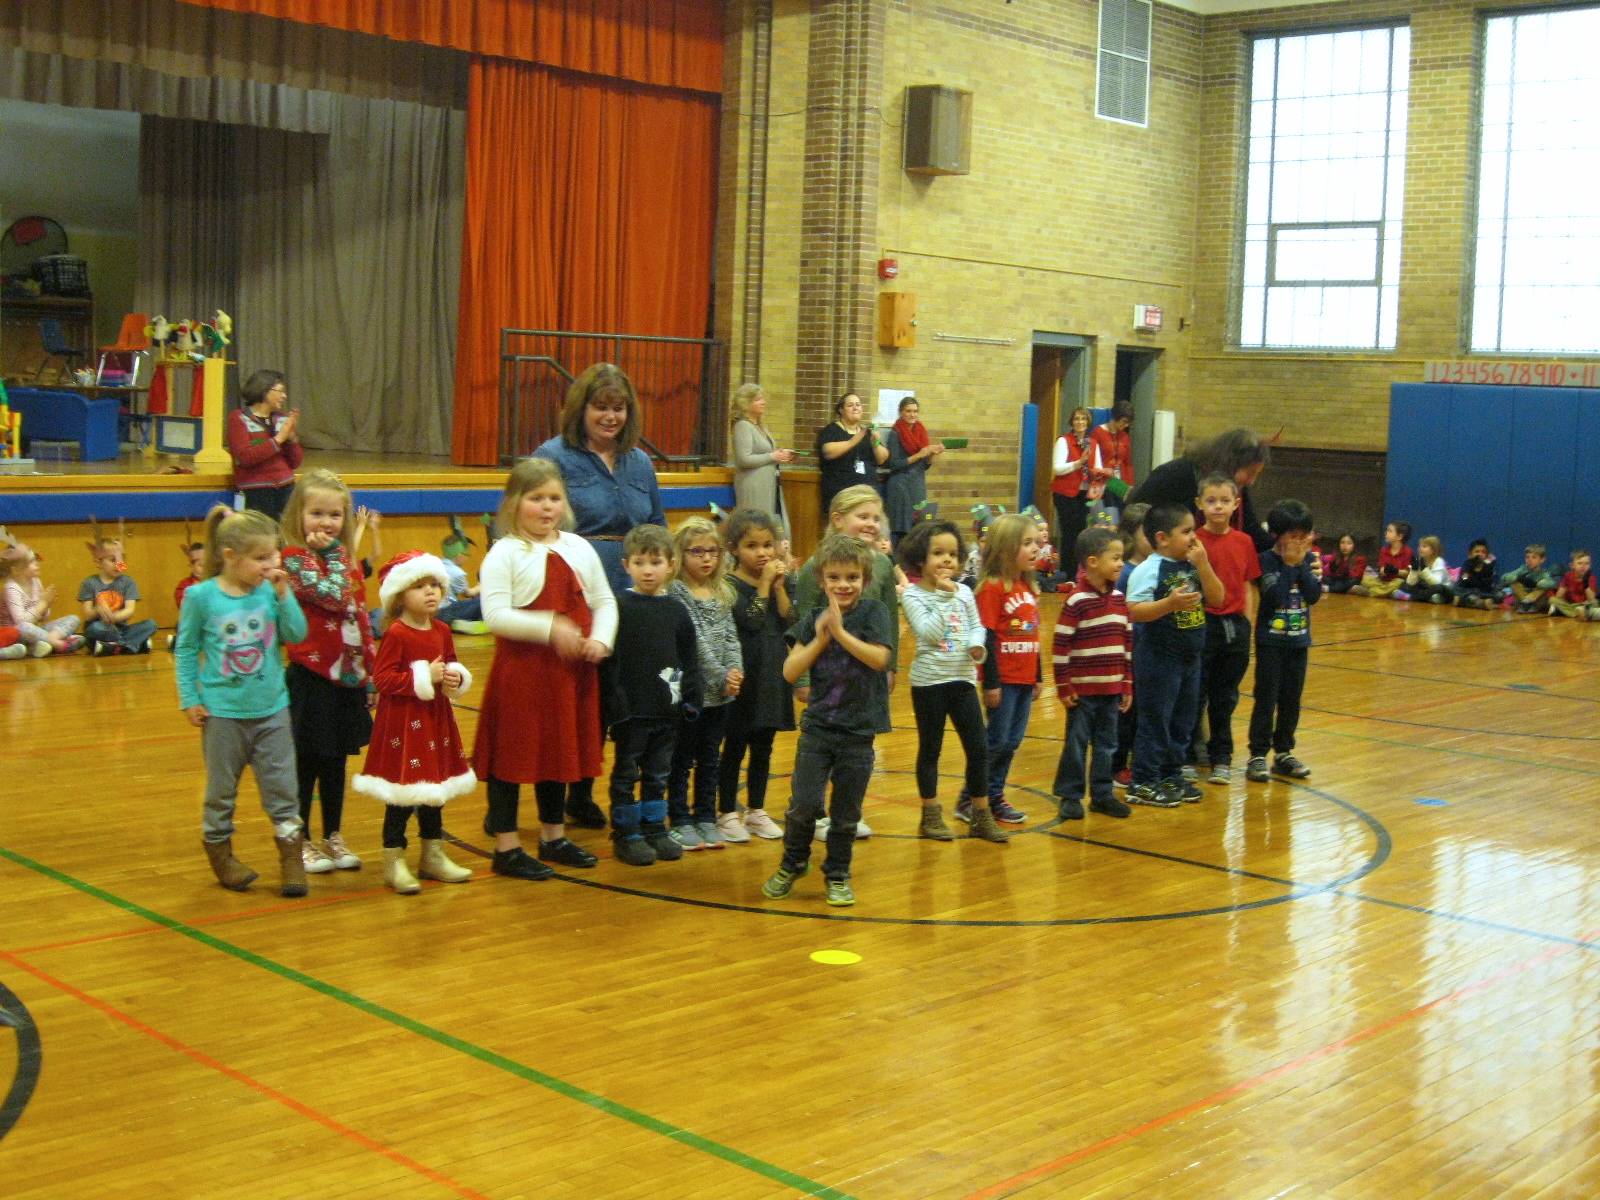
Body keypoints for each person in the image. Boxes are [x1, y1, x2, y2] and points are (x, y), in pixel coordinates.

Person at [473, 458, 615, 880]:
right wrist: (551, 626)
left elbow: (604, 601)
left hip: (569, 676)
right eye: (536, 498)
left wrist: (601, 640)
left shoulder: (578, 547)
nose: (547, 507)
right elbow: (496, 615)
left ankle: (553, 837)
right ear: (515, 503)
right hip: (522, 676)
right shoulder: (504, 552)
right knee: (511, 760)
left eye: (554, 498)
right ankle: (507, 846)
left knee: (558, 755)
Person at [535, 363, 662, 830]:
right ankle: (512, 794)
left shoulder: (640, 463)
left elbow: (655, 530)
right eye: (601, 408)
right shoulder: (551, 457)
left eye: (619, 408)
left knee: (610, 701)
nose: (611, 417)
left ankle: (582, 792)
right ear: (581, 409)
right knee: (561, 702)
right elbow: (524, 526)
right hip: (569, 591)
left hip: (629, 597)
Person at [175, 505, 309, 897]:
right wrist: (190, 698)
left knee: (283, 788)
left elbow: (297, 635)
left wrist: (285, 597)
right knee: (221, 790)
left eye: (274, 555)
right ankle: (221, 855)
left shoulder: (271, 591)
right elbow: (186, 650)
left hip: (272, 709)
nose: (272, 564)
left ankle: (291, 859)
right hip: (222, 714)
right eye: (261, 558)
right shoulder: (201, 597)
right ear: (230, 556)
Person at [761, 534, 892, 908]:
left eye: (851, 577)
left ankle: (837, 874)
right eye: (834, 577)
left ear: (864, 580)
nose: (843, 585)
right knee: (803, 805)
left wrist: (840, 633)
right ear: (822, 580)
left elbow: (879, 659)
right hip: (818, 728)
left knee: (846, 813)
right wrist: (821, 637)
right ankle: (792, 863)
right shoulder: (812, 618)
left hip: (858, 732)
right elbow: (789, 671)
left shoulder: (874, 613)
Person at [352, 552, 476, 894]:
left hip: (435, 721)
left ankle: (432, 855)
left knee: (434, 791)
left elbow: (450, 663)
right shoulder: (397, 633)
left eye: (435, 584)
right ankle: (394, 861)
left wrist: (453, 678)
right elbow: (384, 678)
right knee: (403, 794)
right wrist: (423, 675)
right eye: (420, 586)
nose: (431, 592)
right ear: (399, 595)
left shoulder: (442, 630)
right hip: (405, 726)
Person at [280, 469, 376, 876]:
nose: (326, 523)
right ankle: (298, 840)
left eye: (335, 515)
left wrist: (370, 671)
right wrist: (339, 557)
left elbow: (360, 616)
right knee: (306, 763)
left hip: (346, 679)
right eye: (316, 513)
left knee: (336, 762)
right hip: (310, 677)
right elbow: (334, 597)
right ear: (298, 516)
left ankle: (332, 835)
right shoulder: (293, 560)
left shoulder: (346, 561)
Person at [792, 484, 901, 838]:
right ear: (838, 520)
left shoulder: (882, 564)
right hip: (826, 674)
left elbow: (890, 619)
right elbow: (804, 620)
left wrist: (891, 666)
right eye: (862, 517)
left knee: (857, 747)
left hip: (864, 673)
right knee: (821, 745)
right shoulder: (815, 567)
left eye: (875, 517)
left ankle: (847, 810)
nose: (871, 524)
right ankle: (818, 811)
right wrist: (803, 679)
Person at [897, 520, 1008, 843]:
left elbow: (978, 626)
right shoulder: (914, 596)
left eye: (953, 554)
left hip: (962, 680)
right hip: (929, 684)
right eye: (938, 554)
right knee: (930, 750)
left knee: (978, 750)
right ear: (921, 559)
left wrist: (976, 646)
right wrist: (945, 598)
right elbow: (929, 633)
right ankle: (930, 815)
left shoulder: (964, 592)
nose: (947, 561)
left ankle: (981, 816)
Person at [607, 523, 701, 866]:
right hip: (632, 713)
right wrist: (615, 709)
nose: (648, 570)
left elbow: (689, 659)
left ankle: (654, 827)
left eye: (656, 562)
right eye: (640, 562)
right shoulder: (618, 608)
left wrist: (692, 700)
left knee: (659, 773)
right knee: (626, 773)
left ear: (670, 565)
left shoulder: (677, 611)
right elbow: (610, 662)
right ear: (626, 565)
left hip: (667, 711)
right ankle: (626, 833)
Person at [1125, 503, 1222, 808]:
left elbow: (1218, 598)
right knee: (1156, 720)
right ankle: (1143, 780)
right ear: (1163, 538)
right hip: (1158, 657)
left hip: (1190, 658)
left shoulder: (1193, 565)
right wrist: (1169, 604)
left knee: (1183, 721)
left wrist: (1204, 565)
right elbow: (1134, 610)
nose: (1195, 537)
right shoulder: (1148, 570)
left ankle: (1170, 775)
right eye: (1187, 531)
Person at [960, 512, 1044, 826]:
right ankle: (971, 797)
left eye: (1037, 542)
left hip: (1023, 678)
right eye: (1027, 543)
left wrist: (1038, 676)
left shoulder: (1027, 587)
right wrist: (990, 683)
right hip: (1004, 679)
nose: (1036, 549)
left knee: (1011, 742)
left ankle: (994, 796)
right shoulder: (993, 588)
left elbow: (1033, 633)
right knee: (994, 742)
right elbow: (987, 636)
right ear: (1006, 548)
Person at [667, 517, 744, 850]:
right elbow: (695, 641)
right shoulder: (676, 592)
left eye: (712, 551)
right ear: (680, 554)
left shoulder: (721, 590)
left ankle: (705, 817)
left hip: (721, 694)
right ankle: (680, 819)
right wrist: (719, 674)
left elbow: (731, 637)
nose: (706, 558)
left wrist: (736, 670)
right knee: (683, 758)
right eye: (696, 551)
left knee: (711, 757)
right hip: (691, 691)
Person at [719, 508, 796, 841]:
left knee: (764, 745)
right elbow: (749, 621)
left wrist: (778, 587)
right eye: (752, 546)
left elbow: (789, 621)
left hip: (771, 675)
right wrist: (764, 585)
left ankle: (757, 810)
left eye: (768, 545)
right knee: (735, 746)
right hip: (742, 676)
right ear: (735, 549)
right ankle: (726, 812)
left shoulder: (777, 581)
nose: (763, 553)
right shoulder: (729, 586)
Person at [1051, 525, 1134, 821]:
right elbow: (1061, 646)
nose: (1121, 563)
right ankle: (1070, 794)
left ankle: (1101, 794)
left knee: (1107, 745)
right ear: (1092, 562)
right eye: (1115, 557)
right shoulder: (1076, 601)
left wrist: (1126, 684)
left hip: (1111, 691)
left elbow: (1127, 642)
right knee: (1076, 744)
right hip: (1083, 693)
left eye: (1122, 558)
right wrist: (1064, 686)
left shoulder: (1120, 600)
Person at [1191, 473, 1261, 785]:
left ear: (1236, 504)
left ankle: (1222, 756)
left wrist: (1246, 623)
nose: (1217, 507)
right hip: (1202, 624)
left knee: (1225, 696)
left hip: (1234, 627)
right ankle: (1190, 754)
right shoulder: (1192, 542)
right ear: (1199, 505)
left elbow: (1247, 586)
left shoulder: (1244, 542)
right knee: (1195, 693)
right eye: (1211, 501)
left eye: (1224, 501)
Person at [1246, 500, 1323, 783]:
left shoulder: (1309, 560)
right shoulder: (1266, 560)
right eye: (1294, 535)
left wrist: (1301, 566)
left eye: (1305, 534)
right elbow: (1274, 596)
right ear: (1278, 534)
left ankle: (1284, 752)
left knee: (1292, 699)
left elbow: (1313, 595)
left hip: (1299, 641)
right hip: (1271, 641)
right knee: (1266, 698)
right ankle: (1257, 754)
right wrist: (1290, 565)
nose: (1301, 541)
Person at [1127, 428, 1273, 551]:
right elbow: (1136, 515)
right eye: (1249, 473)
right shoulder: (1176, 473)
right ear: (1230, 462)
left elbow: (1251, 529)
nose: (1252, 481)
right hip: (1164, 560)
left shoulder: (1233, 486)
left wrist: (1278, 549)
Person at [1110, 502, 1151, 791]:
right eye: (1147, 532)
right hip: (1128, 649)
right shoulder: (1124, 572)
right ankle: (1116, 764)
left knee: (1139, 711)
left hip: (1147, 648)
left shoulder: (1155, 566)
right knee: (1125, 712)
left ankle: (1136, 760)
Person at [226, 369, 302, 521]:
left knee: (285, 538)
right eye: (281, 391)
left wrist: (292, 439)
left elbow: (295, 462)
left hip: (286, 488)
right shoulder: (238, 418)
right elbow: (245, 457)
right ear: (265, 390)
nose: (284, 396)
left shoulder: (281, 418)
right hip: (255, 491)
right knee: (260, 538)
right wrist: (278, 439)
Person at [78, 528, 159, 655]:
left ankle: (114, 647)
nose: (118, 564)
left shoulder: (128, 582)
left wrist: (113, 618)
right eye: (113, 560)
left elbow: (129, 611)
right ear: (99, 562)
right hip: (101, 629)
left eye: (121, 559)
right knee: (95, 628)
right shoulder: (89, 583)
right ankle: (133, 645)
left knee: (151, 624)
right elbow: (88, 615)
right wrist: (98, 609)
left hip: (121, 629)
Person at [729, 383, 796, 531]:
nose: (763, 402)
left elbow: (766, 454)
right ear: (746, 403)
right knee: (755, 526)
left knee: (770, 525)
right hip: (753, 484)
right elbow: (743, 459)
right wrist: (772, 456)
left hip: (768, 483)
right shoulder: (743, 426)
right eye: (758, 399)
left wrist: (781, 454)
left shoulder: (760, 426)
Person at [0, 542, 83, 656]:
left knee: (74, 619)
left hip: (36, 631)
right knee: (24, 627)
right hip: (17, 634)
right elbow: (21, 622)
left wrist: (46, 605)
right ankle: (59, 644)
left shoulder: (35, 581)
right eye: (31, 562)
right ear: (16, 570)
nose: (37, 564)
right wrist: (43, 603)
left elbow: (44, 617)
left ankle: (49, 642)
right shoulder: (11, 588)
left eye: (35, 560)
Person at [882, 397, 945, 546]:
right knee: (900, 531)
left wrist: (931, 455)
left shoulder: (921, 431)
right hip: (900, 486)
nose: (912, 415)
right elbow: (894, 464)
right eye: (908, 411)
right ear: (901, 413)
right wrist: (919, 455)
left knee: (918, 529)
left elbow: (924, 465)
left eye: (915, 411)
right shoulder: (895, 433)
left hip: (917, 485)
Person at [815, 391, 887, 515]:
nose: (855, 408)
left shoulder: (868, 433)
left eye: (858, 405)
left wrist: (876, 443)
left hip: (866, 495)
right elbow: (828, 451)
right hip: (841, 495)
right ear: (841, 410)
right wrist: (853, 440)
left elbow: (882, 459)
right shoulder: (832, 430)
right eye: (850, 405)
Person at [1051, 407, 1097, 581]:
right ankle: (1067, 573)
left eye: (1083, 419)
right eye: (1077, 419)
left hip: (1083, 493)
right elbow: (1057, 468)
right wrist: (1079, 463)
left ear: (1088, 422)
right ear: (1072, 422)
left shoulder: (1091, 443)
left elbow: (1095, 466)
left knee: (1081, 533)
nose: (1080, 422)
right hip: (1065, 493)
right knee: (1069, 533)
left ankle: (1077, 573)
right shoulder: (1064, 441)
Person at [1089, 400, 1136, 520]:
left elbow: (1128, 463)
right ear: (1115, 417)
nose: (1126, 426)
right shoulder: (1097, 433)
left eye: (1128, 423)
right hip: (1101, 482)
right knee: (1104, 520)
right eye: (1124, 421)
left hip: (1119, 483)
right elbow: (1092, 460)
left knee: (1118, 518)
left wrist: (1129, 485)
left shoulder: (1125, 437)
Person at [438, 530, 486, 634]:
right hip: (447, 610)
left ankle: (455, 624)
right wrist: (480, 587)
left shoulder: (437, 565)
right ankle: (481, 623)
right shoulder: (458, 573)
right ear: (460, 556)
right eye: (466, 556)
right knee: (484, 601)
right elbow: (468, 593)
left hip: (434, 613)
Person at [1351, 521, 1412, 598]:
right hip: (1382, 581)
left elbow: (1407, 573)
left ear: (1399, 536)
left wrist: (1395, 571)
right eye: (1386, 530)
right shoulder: (1384, 550)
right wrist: (1385, 571)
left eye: (1390, 531)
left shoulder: (1407, 551)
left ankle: (1370, 593)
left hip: (1395, 581)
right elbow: (1381, 571)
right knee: (1366, 580)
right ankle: (1388, 593)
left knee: (1400, 583)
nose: (1386, 533)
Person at [167, 535, 206, 650]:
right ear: (191, 565)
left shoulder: (123, 582)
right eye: (197, 562)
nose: (202, 565)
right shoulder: (185, 585)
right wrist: (119, 557)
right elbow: (185, 609)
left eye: (205, 561)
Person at [1499, 544, 1557, 613]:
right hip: (1521, 602)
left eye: (1534, 557)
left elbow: (1553, 583)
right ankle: (1525, 603)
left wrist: (1538, 583)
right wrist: (1514, 577)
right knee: (1514, 583)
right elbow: (1504, 577)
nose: (1530, 560)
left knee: (1544, 587)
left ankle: (1528, 602)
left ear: (1542, 560)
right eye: (1527, 557)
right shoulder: (1522, 569)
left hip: (1536, 603)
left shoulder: (1544, 573)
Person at [1548, 549, 1597, 620]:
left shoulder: (1591, 578)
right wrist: (1564, 588)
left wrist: (1585, 582)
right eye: (1579, 563)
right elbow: (1558, 596)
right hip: (1571, 605)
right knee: (1552, 599)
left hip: (1584, 605)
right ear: (1572, 565)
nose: (1583, 566)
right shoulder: (1568, 576)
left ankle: (1570, 612)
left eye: (1587, 563)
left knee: (1595, 603)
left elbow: (1591, 599)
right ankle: (1578, 614)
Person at [1450, 539, 1498, 608]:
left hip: (1482, 592)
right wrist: (1466, 577)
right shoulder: (1467, 564)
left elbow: (1487, 585)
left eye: (1483, 552)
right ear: (1470, 554)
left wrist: (1471, 579)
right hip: (1466, 590)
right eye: (1477, 551)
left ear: (1487, 555)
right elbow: (1463, 580)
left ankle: (1466, 602)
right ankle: (1480, 603)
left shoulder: (1488, 567)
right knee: (1455, 591)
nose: (1480, 554)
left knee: (1497, 596)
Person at [1405, 536, 1452, 604]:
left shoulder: (1439, 561)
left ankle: (1412, 597)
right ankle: (1428, 597)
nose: (1420, 548)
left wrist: (1423, 570)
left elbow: (1436, 583)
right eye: (1419, 546)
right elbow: (1410, 583)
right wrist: (1414, 570)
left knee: (1438, 588)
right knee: (1405, 585)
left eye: (1424, 546)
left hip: (1443, 588)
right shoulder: (1420, 560)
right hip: (1427, 587)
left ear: (1433, 550)